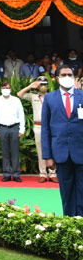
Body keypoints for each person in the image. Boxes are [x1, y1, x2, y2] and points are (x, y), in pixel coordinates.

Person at [41, 64, 83, 216]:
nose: (67, 77)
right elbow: (45, 128)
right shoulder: (50, 98)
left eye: (70, 75)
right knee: (66, 191)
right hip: (60, 152)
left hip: (80, 151)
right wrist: (48, 156)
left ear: (74, 77)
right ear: (57, 78)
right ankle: (69, 220)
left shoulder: (82, 96)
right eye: (63, 75)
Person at [17, 76, 57, 183]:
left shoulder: (52, 96)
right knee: (40, 150)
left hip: (50, 126)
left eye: (44, 84)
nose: (42, 86)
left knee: (52, 149)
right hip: (38, 126)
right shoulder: (33, 96)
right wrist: (30, 86)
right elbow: (19, 94)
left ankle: (53, 173)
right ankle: (43, 173)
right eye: (41, 84)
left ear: (48, 85)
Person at [0, 82, 25, 182]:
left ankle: (16, 174)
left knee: (15, 152)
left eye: (8, 87)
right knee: (5, 152)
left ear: (10, 89)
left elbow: (21, 115)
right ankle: (6, 173)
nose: (6, 89)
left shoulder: (16, 100)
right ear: (1, 89)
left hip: (14, 127)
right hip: (2, 127)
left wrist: (22, 128)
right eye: (4, 87)